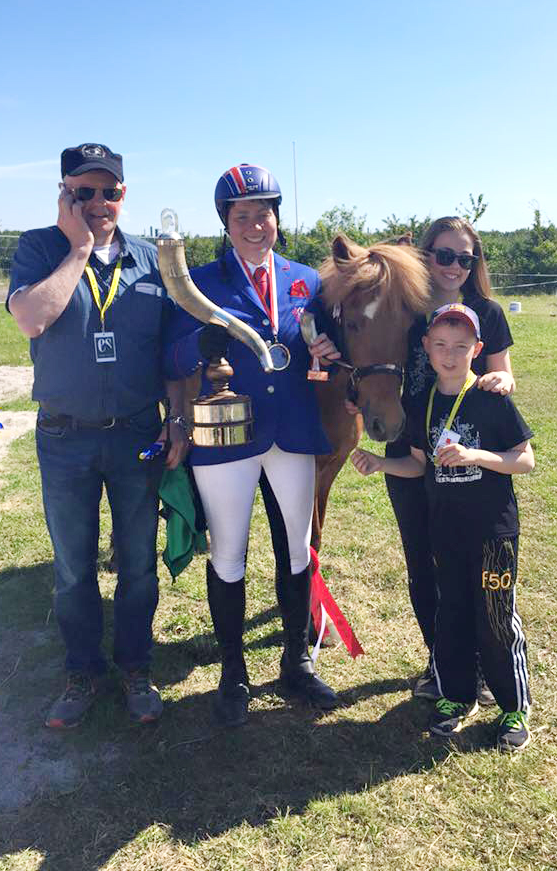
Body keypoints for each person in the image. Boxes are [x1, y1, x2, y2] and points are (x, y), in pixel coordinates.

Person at [7, 143, 189, 729]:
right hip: (66, 438)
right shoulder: (40, 247)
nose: (97, 202)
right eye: (83, 192)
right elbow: (32, 317)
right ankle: (82, 672)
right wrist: (79, 249)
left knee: (137, 563)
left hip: (137, 434)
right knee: (73, 566)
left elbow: (170, 352)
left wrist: (178, 416)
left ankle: (136, 668)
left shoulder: (151, 259)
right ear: (64, 193)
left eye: (108, 191)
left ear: (123, 195)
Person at [163, 163, 340, 727]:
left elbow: (325, 341)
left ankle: (296, 662)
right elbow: (169, 358)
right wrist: (199, 341)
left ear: (277, 218)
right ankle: (233, 672)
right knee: (229, 554)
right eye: (242, 216)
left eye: (264, 213)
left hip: (292, 432)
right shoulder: (198, 283)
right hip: (227, 436)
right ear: (226, 222)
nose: (255, 225)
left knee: (296, 550)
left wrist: (329, 351)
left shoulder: (306, 280)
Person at [352, 303, 534, 752]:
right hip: (445, 531)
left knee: (495, 619)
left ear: (478, 349)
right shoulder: (422, 404)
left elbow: (524, 460)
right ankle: (457, 695)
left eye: (460, 346)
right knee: (450, 613)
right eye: (440, 346)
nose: (450, 355)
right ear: (426, 348)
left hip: (492, 533)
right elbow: (419, 465)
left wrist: (476, 456)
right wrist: (380, 463)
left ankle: (513, 707)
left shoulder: (491, 399)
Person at [375, 217, 516, 702]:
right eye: (444, 255)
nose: (454, 266)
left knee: (472, 567)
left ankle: (482, 665)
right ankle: (442, 663)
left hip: (468, 459)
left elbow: (503, 374)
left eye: (465, 258)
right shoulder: (405, 309)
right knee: (422, 562)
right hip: (411, 448)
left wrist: (502, 381)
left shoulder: (487, 312)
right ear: (426, 255)